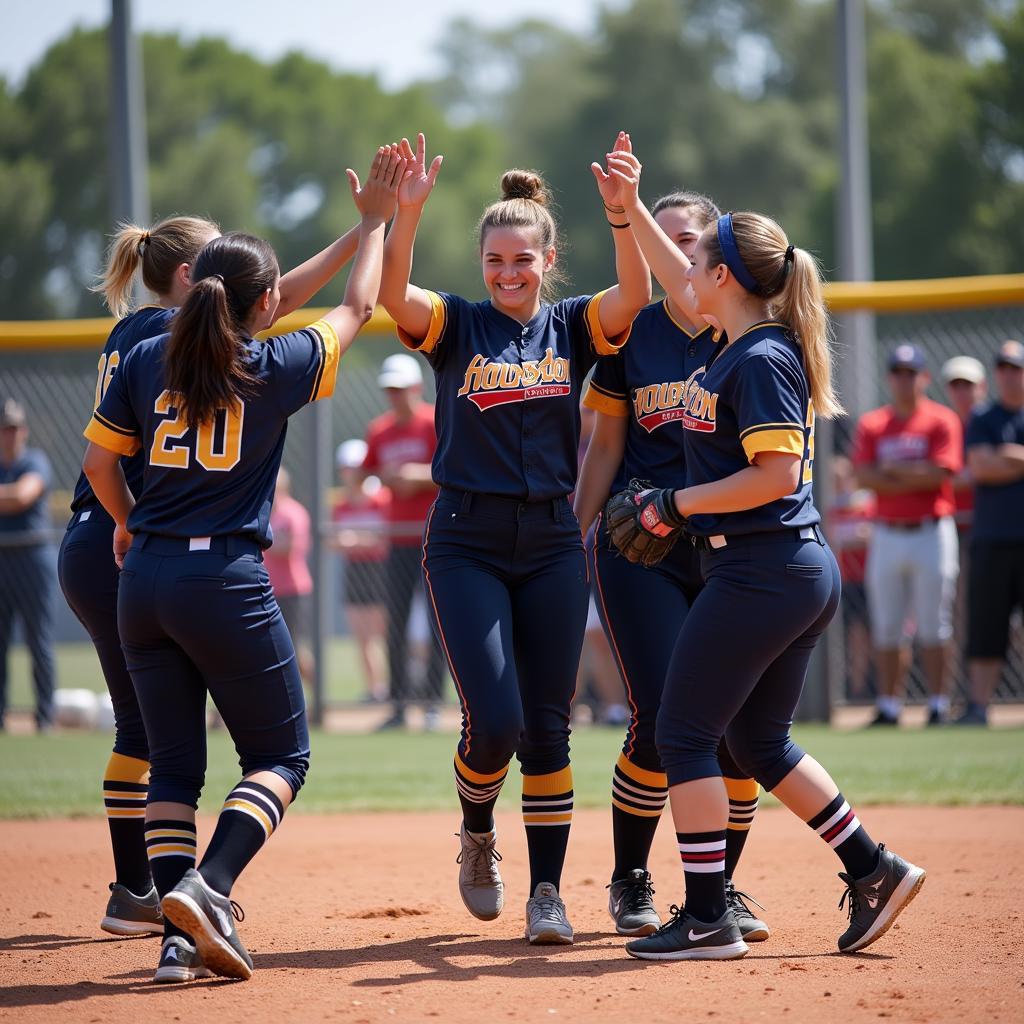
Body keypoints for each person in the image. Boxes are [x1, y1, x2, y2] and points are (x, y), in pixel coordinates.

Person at [80, 145, 405, 982]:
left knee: (175, 763)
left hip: (141, 579)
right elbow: (359, 306)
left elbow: (97, 467)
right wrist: (374, 223)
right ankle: (209, 887)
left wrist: (126, 525)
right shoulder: (275, 361)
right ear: (266, 304)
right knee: (282, 757)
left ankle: (175, 944)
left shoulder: (147, 354)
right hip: (222, 579)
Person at [604, 148, 925, 961]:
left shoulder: (759, 356)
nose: (687, 269)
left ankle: (708, 915)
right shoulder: (736, 342)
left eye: (699, 256)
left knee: (683, 733)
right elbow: (678, 279)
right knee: (757, 742)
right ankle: (873, 867)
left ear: (725, 277)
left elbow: (775, 474)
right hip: (776, 568)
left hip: (764, 568)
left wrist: (673, 502)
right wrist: (630, 207)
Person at [378, 130, 650, 944]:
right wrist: (408, 216)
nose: (507, 274)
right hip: (466, 538)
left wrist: (624, 214)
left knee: (548, 725)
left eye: (522, 260)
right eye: (495, 261)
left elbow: (632, 296)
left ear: (548, 256)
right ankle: (475, 832)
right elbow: (396, 297)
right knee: (492, 721)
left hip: (554, 540)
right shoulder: (459, 325)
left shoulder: (570, 326)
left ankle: (546, 894)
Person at [573, 189, 768, 943]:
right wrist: (575, 531)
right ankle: (630, 875)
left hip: (728, 550)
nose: (677, 249)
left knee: (737, 726)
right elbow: (607, 447)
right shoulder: (632, 335)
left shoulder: (741, 330)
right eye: (661, 234)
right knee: (661, 717)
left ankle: (718, 891)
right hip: (640, 546)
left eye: (690, 238)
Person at [853, 346, 962, 726]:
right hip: (886, 532)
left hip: (931, 530)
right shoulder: (873, 423)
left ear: (924, 377)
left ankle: (937, 703)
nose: (904, 378)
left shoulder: (941, 419)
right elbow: (863, 477)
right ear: (889, 378)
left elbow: (941, 475)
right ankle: (889, 705)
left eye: (911, 371)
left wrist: (892, 471)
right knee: (886, 624)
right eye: (898, 371)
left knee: (936, 623)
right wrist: (914, 474)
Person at [360, 352, 444, 729]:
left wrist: (417, 475)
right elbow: (366, 474)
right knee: (395, 621)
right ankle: (397, 703)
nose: (394, 397)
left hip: (435, 534)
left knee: (440, 622)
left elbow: (453, 468)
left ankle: (430, 702)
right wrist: (383, 479)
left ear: (416, 388)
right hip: (397, 535)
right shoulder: (380, 429)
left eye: (400, 389)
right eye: (389, 390)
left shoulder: (433, 421)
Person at [959, 340, 1024, 725]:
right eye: (1003, 367)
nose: (1008, 373)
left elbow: (992, 462)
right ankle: (979, 707)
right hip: (992, 538)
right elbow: (981, 468)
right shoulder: (984, 417)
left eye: (1015, 367)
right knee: (986, 627)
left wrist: (1006, 455)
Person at [0, 398, 55, 733]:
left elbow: (23, 495)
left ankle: (45, 717)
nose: (11, 433)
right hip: (2, 556)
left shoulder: (35, 460)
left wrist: (10, 496)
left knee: (39, 640)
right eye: (6, 428)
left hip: (33, 556)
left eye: (16, 427)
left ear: (24, 431)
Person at [942, 355, 987, 698]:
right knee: (956, 615)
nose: (962, 392)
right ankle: (961, 694)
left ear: (981, 388)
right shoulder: (947, 424)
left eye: (967, 385)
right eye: (956, 385)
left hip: (989, 529)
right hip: (954, 528)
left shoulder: (989, 421)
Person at [331, 438, 389, 704]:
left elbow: (385, 539)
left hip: (380, 570)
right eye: (346, 467)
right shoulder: (341, 504)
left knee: (384, 635)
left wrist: (355, 539)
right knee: (362, 636)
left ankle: (396, 688)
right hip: (355, 570)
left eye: (354, 467)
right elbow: (332, 539)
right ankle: (375, 689)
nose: (350, 473)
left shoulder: (381, 499)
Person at [827, 455, 876, 700]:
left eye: (841, 478)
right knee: (851, 635)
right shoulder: (830, 508)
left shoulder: (866, 504)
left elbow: (871, 534)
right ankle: (855, 688)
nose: (837, 483)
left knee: (870, 633)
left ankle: (867, 687)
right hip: (843, 580)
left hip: (866, 578)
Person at [263, 468, 314, 684]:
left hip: (291, 589)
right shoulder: (261, 511)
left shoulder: (293, 512)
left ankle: (316, 692)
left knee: (290, 645)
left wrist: (258, 541)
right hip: (264, 587)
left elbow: (291, 547)